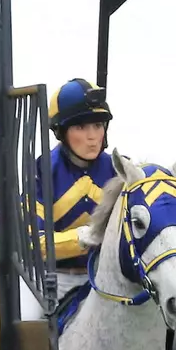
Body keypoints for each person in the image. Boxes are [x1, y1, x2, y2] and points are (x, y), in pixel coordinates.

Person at [42, 78, 117, 294]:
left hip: (107, 279)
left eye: (98, 125)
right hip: (55, 281)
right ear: (61, 131)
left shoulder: (119, 169)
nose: (92, 137)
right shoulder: (42, 172)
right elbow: (31, 244)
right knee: (26, 322)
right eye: (81, 126)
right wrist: (81, 239)